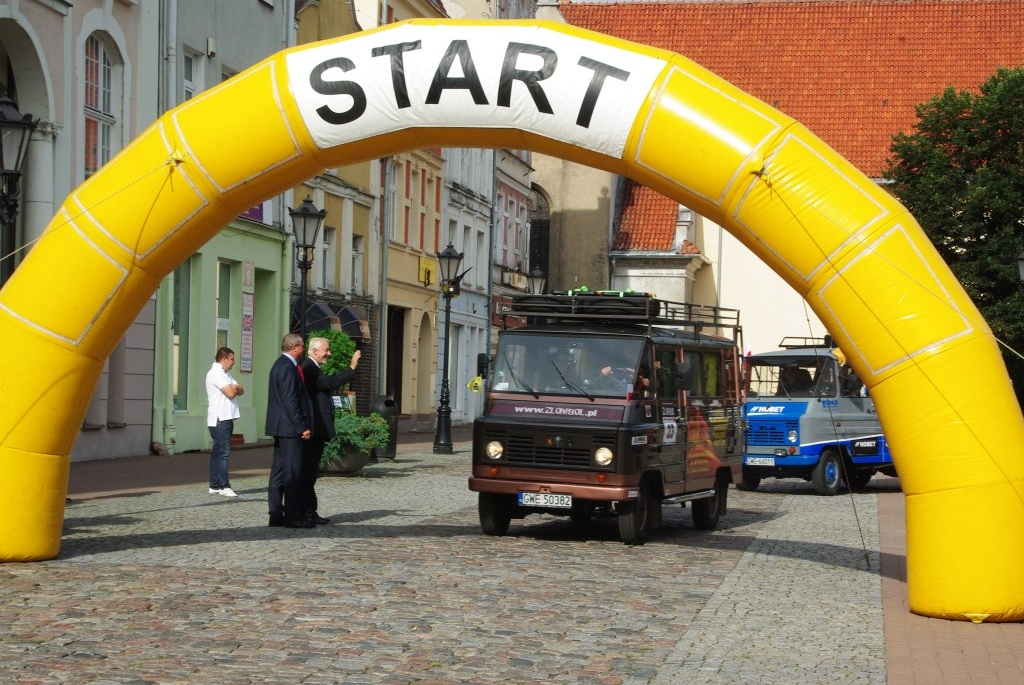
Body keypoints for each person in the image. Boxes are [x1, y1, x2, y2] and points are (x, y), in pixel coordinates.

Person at [301, 338, 361, 525]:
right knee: (309, 471)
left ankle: (310, 511)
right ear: (315, 350)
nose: (329, 354)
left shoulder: (313, 367)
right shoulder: (309, 368)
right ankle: (307, 512)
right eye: (326, 350)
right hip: (313, 426)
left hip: (317, 426)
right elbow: (327, 384)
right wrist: (351, 369)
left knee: (311, 471)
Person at [266, 333, 314, 529]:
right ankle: (293, 516)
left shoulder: (280, 364)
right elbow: (290, 400)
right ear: (295, 347)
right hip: (289, 427)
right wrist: (301, 426)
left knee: (278, 472)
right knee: (292, 472)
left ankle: (276, 513)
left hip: (281, 426)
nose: (303, 350)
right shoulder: (287, 367)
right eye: (303, 346)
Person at [206, 347, 244, 497]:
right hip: (220, 418)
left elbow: (240, 389)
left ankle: (215, 485)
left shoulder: (225, 374)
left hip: (224, 417)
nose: (234, 362)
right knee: (223, 453)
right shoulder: (216, 374)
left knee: (218, 453)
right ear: (224, 359)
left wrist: (235, 388)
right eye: (232, 359)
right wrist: (234, 389)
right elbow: (230, 392)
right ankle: (223, 486)